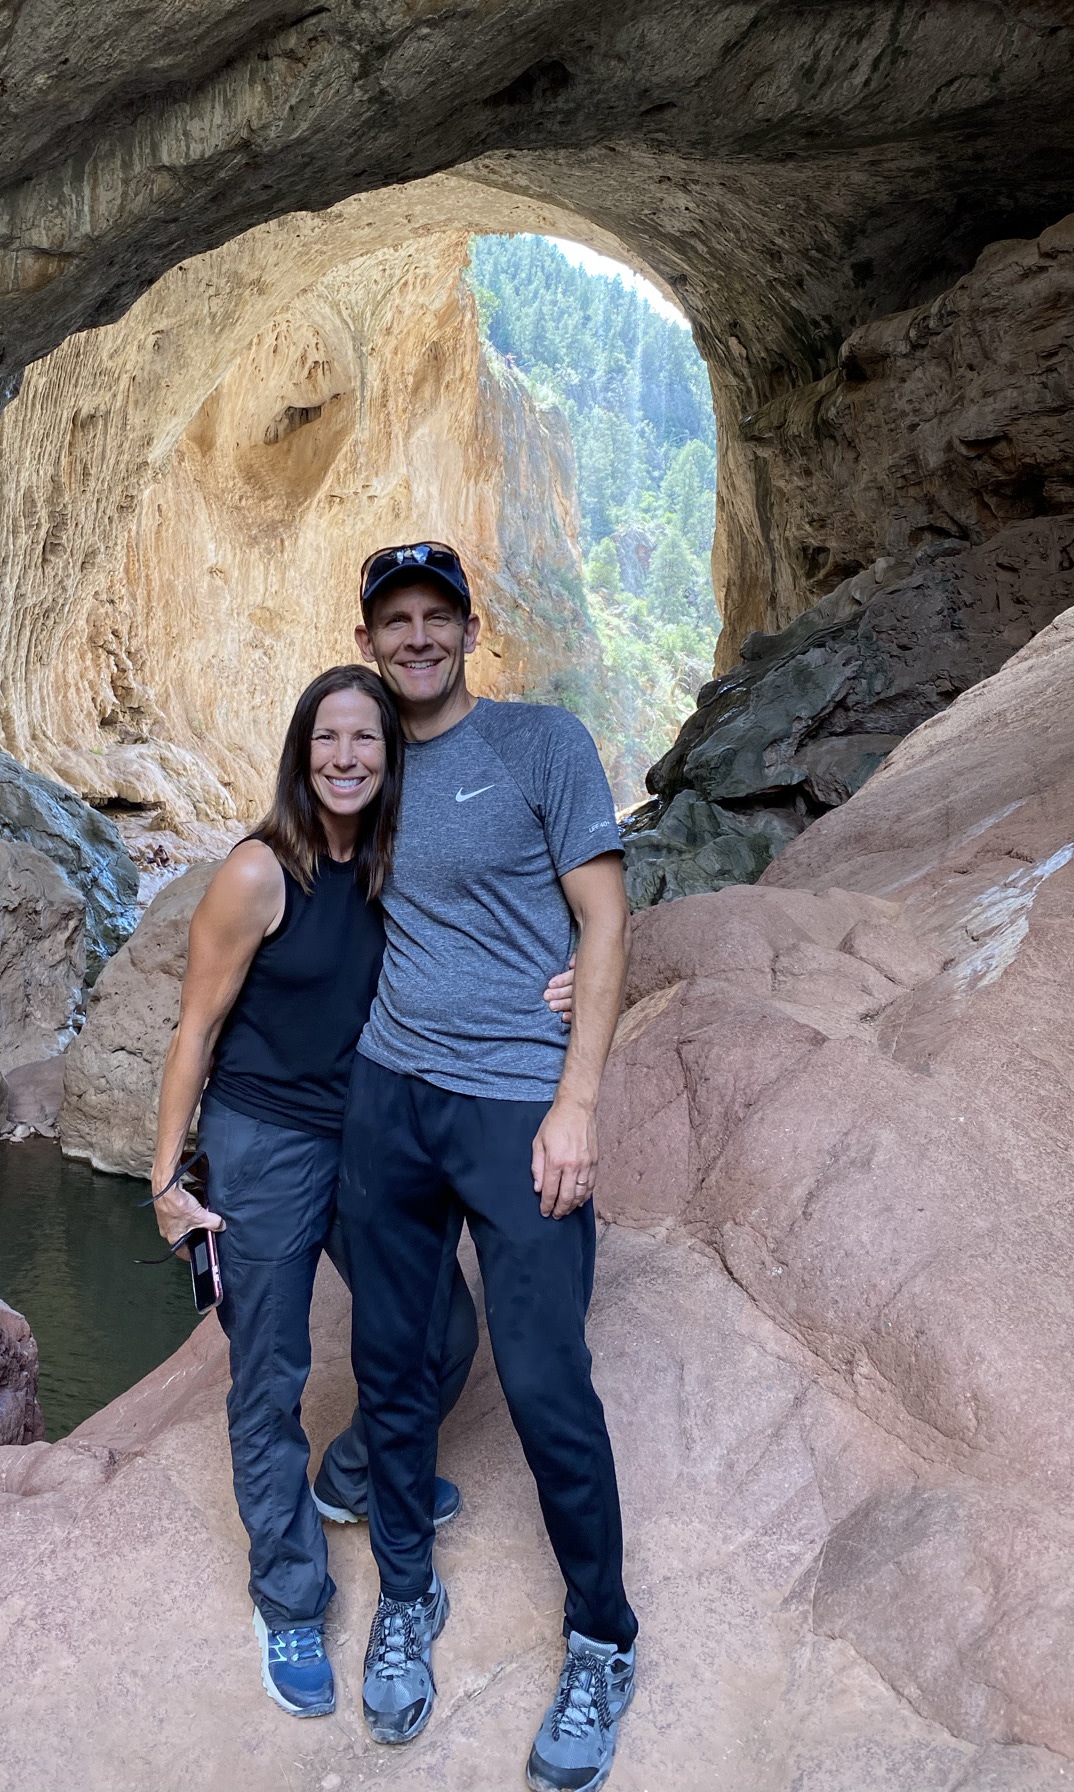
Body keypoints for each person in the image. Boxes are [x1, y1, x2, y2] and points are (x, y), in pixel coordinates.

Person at [149, 663, 574, 1720]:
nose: (345, 757)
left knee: (439, 1332)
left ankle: (356, 1474)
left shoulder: (394, 861)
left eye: (367, 740)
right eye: (327, 738)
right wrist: (165, 1177)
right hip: (264, 1141)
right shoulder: (259, 871)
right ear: (302, 751)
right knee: (271, 1368)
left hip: (371, 1128)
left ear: (393, 757)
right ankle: (290, 1595)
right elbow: (194, 1028)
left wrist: (567, 971)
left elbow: (494, 922)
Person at [340, 542, 638, 1792]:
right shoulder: (361, 752)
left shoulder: (541, 745)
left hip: (517, 1097)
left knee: (545, 1372)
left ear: (472, 627)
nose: (416, 637)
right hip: (389, 1094)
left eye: (435, 616)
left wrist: (577, 1097)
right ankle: (405, 1593)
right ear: (369, 639)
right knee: (394, 1358)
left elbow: (607, 912)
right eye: (394, 620)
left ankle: (603, 1637)